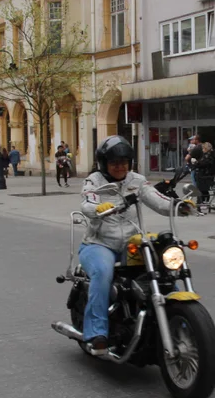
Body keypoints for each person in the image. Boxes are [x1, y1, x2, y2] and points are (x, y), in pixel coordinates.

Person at [78, 136, 193, 354]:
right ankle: (96, 333)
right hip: (99, 244)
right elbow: (87, 202)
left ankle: (176, 318)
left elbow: (156, 198)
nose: (120, 166)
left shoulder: (137, 181)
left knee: (163, 269)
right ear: (104, 164)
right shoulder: (94, 181)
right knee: (102, 272)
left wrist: (179, 205)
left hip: (131, 243)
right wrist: (98, 208)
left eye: (124, 161)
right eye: (114, 162)